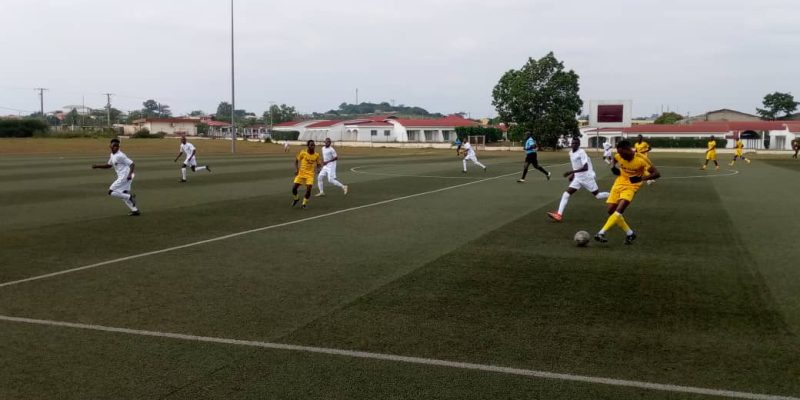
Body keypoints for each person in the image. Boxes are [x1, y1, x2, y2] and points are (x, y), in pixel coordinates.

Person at [594, 140, 661, 245]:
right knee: (611, 211)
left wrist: (641, 178)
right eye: (619, 153)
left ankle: (601, 233)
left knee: (619, 210)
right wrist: (613, 168)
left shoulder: (641, 159)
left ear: (628, 149)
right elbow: (614, 159)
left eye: (622, 153)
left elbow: (657, 174)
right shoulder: (619, 155)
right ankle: (630, 233)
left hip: (631, 186)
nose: (620, 155)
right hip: (619, 183)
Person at [546, 138, 609, 222]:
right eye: (573, 143)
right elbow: (576, 165)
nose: (574, 145)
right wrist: (573, 175)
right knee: (566, 194)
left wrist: (571, 172)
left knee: (598, 195)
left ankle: (612, 196)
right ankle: (559, 215)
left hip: (587, 177)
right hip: (578, 178)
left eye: (576, 143)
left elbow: (585, 167)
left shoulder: (581, 152)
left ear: (579, 145)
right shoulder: (570, 153)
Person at [91, 138, 140, 216]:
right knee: (123, 194)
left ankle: (130, 197)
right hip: (123, 176)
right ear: (110, 146)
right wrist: (97, 166)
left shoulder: (120, 155)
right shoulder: (112, 155)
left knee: (111, 191)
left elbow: (132, 164)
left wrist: (129, 175)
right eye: (114, 145)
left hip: (125, 176)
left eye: (117, 146)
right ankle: (135, 210)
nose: (116, 147)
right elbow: (109, 165)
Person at [292, 140, 322, 209]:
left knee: (309, 189)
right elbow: (296, 160)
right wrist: (296, 169)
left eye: (314, 145)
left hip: (310, 175)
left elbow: (319, 164)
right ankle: (296, 198)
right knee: (294, 189)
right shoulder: (303, 152)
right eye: (311, 145)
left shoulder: (316, 155)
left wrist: (318, 169)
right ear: (308, 146)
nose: (313, 146)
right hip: (301, 173)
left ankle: (304, 204)